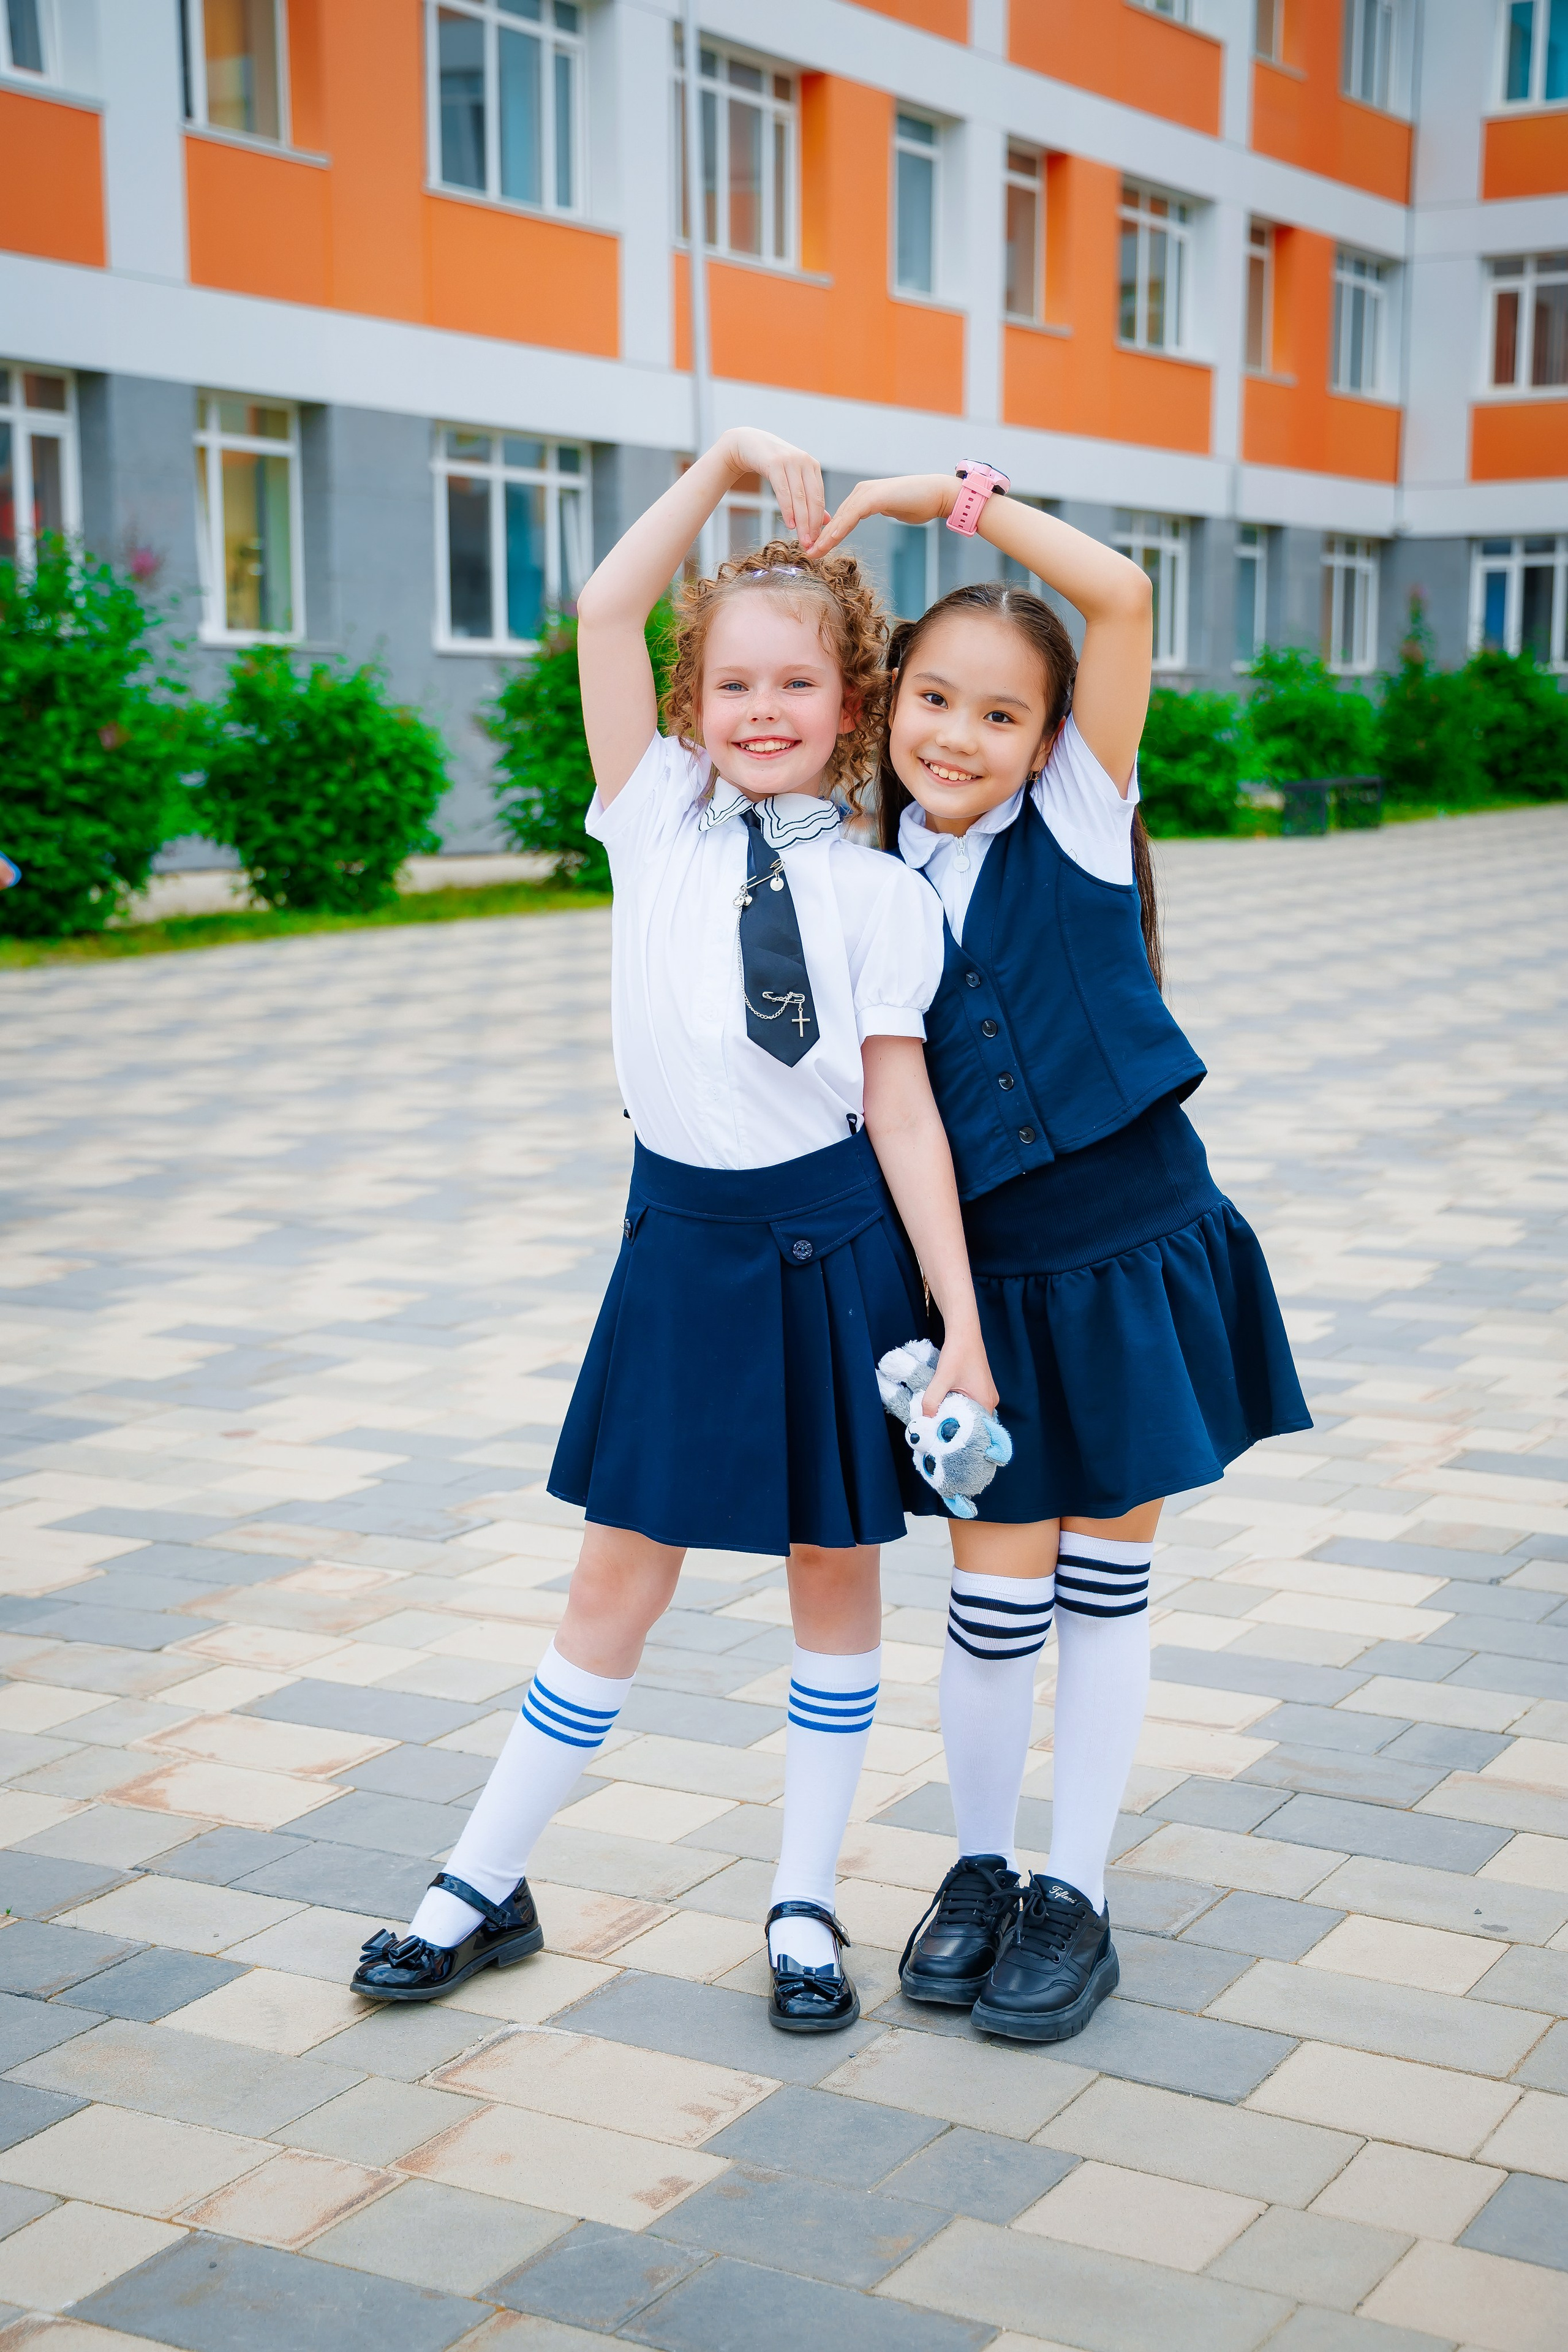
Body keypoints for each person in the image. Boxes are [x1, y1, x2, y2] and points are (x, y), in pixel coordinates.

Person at [351, 431, 995, 2032]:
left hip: (837, 1253)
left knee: (834, 1570)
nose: (762, 711)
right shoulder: (649, 817)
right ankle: (481, 1880)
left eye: (796, 685)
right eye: (730, 686)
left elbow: (903, 1115)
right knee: (614, 1575)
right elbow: (602, 607)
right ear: (692, 705)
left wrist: (962, 1321)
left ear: (852, 705)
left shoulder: (879, 897)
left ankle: (801, 1902)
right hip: (681, 1245)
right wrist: (713, 471)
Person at [809, 466, 1310, 2043]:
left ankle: (1075, 1892)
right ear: (891, 704)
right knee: (989, 1602)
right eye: (932, 700)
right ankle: (978, 1867)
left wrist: (941, 502)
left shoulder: (1083, 821)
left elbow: (1123, 600)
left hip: (1135, 1253)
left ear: (1050, 737)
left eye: (1000, 716)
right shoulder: (871, 878)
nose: (956, 737)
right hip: (989, 1293)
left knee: (1104, 1586)